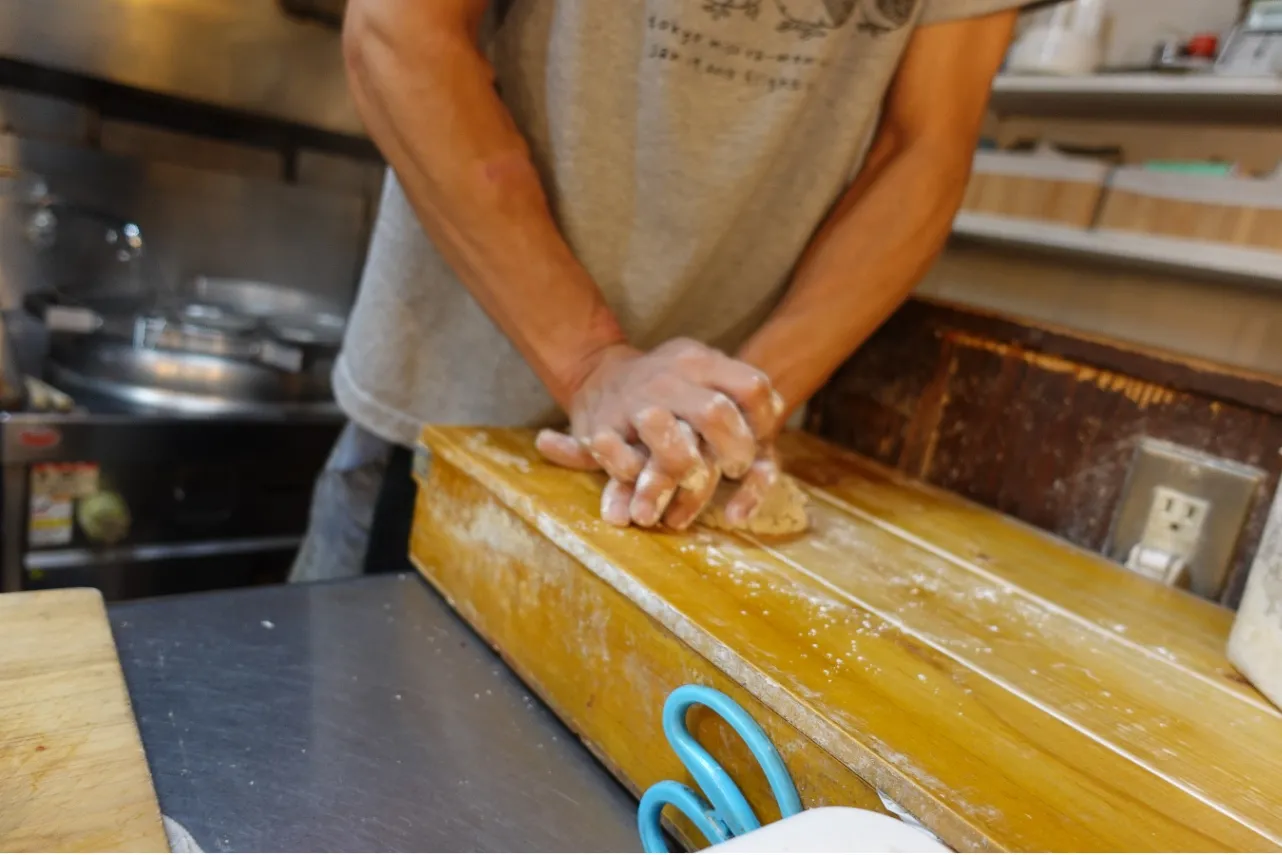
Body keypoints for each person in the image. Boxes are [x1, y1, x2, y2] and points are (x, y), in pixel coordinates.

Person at [290, 0, 1028, 582]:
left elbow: (925, 145)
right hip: (455, 412)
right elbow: (402, 32)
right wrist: (588, 360)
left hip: (703, 484)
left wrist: (736, 408)